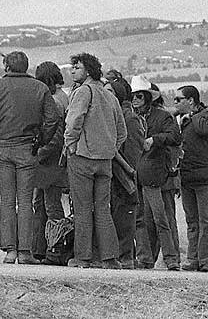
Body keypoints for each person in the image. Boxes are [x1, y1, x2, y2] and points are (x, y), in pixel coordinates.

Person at [0, 50, 56, 264]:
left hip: (1, 149)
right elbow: (52, 120)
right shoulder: (40, 88)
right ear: (27, 66)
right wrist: (41, 142)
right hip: (27, 150)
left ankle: (9, 251)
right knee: (25, 200)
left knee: (7, 200)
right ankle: (24, 252)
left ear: (7, 67)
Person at [63, 52, 127, 269]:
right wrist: (109, 149)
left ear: (88, 70)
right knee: (103, 208)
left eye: (77, 67)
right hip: (105, 161)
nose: (72, 71)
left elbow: (73, 122)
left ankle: (82, 257)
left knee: (82, 209)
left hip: (82, 157)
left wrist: (71, 145)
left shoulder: (83, 92)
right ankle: (110, 258)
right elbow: (122, 132)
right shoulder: (110, 96)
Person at [130, 75, 182, 271]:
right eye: (133, 97)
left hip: (152, 175)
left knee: (161, 219)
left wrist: (155, 139)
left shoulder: (162, 117)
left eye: (139, 97)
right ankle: (145, 258)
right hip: (136, 175)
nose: (135, 100)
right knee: (140, 219)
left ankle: (171, 259)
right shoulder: (133, 118)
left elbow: (174, 136)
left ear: (147, 98)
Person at [174, 85, 208, 272]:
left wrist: (192, 117)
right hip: (188, 176)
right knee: (192, 221)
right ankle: (194, 258)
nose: (175, 102)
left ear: (191, 101)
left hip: (204, 177)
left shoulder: (207, 117)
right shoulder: (182, 120)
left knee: (206, 220)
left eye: (178, 99)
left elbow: (205, 130)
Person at [31, 61, 68, 262]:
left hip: (49, 163)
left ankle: (54, 248)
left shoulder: (54, 101)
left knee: (50, 205)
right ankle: (45, 247)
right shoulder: (63, 97)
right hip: (54, 161)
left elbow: (55, 134)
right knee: (46, 203)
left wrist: (38, 153)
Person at [111, 72, 144, 269]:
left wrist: (127, 173)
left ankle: (126, 256)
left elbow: (132, 157)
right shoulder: (120, 117)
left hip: (124, 179)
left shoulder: (130, 120)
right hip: (118, 177)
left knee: (125, 219)